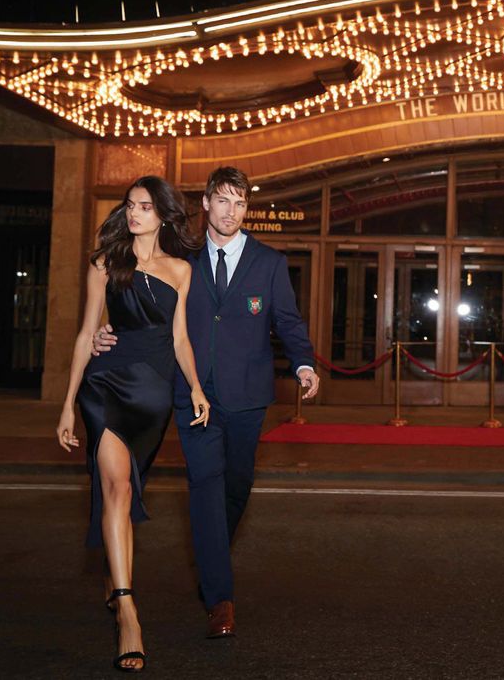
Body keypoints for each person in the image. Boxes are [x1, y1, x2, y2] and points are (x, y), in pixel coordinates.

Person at [94, 166, 319, 639]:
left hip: (247, 396)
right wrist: (106, 331)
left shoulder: (270, 263)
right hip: (191, 393)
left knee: (235, 488)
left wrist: (303, 365)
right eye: (223, 201)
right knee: (204, 486)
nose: (231, 211)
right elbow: (143, 307)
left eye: (240, 203)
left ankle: (211, 554)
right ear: (207, 204)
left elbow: (289, 322)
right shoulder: (181, 258)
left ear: (246, 209)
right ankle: (220, 598)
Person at [57, 176, 210, 673]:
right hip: (104, 386)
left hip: (154, 395)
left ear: (163, 214)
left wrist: (195, 387)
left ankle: (112, 570)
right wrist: (65, 404)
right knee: (117, 488)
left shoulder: (181, 271)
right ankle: (127, 611)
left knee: (126, 489)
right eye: (129, 206)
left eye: (145, 206)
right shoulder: (106, 263)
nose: (134, 213)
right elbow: (86, 334)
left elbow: (181, 339)